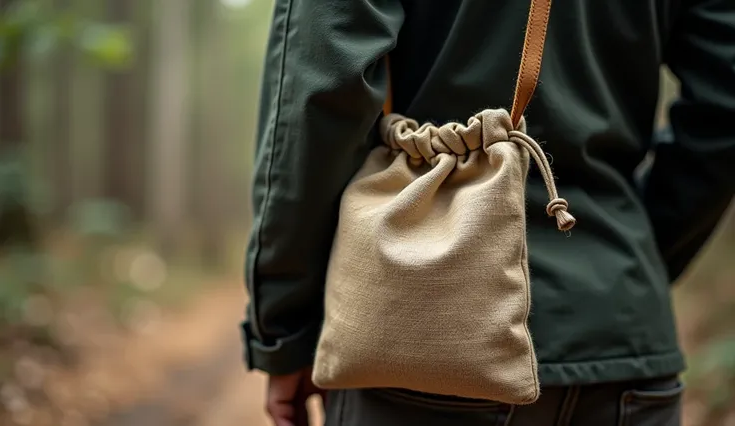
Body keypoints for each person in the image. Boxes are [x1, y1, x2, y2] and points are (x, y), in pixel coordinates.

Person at [241, 0, 735, 424]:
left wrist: (284, 329)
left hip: (421, 343)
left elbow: (322, 86)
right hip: (627, 344)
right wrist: (628, 266)